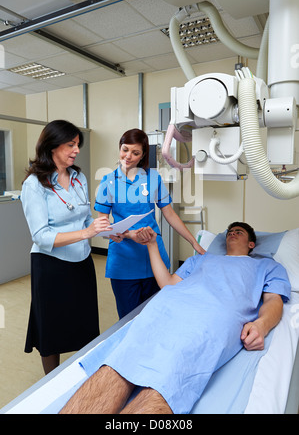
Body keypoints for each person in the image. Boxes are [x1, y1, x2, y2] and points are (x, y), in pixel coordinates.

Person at [60, 222, 291, 414]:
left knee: (168, 380)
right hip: (168, 308)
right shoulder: (200, 259)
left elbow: (273, 301)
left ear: (251, 244)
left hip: (211, 318)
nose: (232, 233)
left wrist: (261, 325)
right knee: (119, 365)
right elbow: (168, 284)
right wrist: (151, 245)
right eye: (230, 230)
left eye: (238, 232)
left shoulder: (266, 266)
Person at [21, 120, 112, 375]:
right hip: (50, 266)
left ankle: (82, 376)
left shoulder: (78, 177)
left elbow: (84, 217)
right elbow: (41, 236)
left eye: (78, 144)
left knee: (83, 322)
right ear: (52, 146)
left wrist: (106, 230)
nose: (77, 150)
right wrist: (86, 232)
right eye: (71, 144)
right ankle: (51, 381)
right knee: (52, 328)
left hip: (81, 261)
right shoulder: (34, 184)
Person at [95, 128, 204, 319]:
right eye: (125, 149)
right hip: (123, 260)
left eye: (135, 153)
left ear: (143, 155)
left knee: (157, 315)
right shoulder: (107, 182)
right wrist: (130, 235)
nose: (128, 156)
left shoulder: (153, 178)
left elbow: (170, 214)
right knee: (129, 320)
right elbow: (102, 226)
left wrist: (193, 242)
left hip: (154, 258)